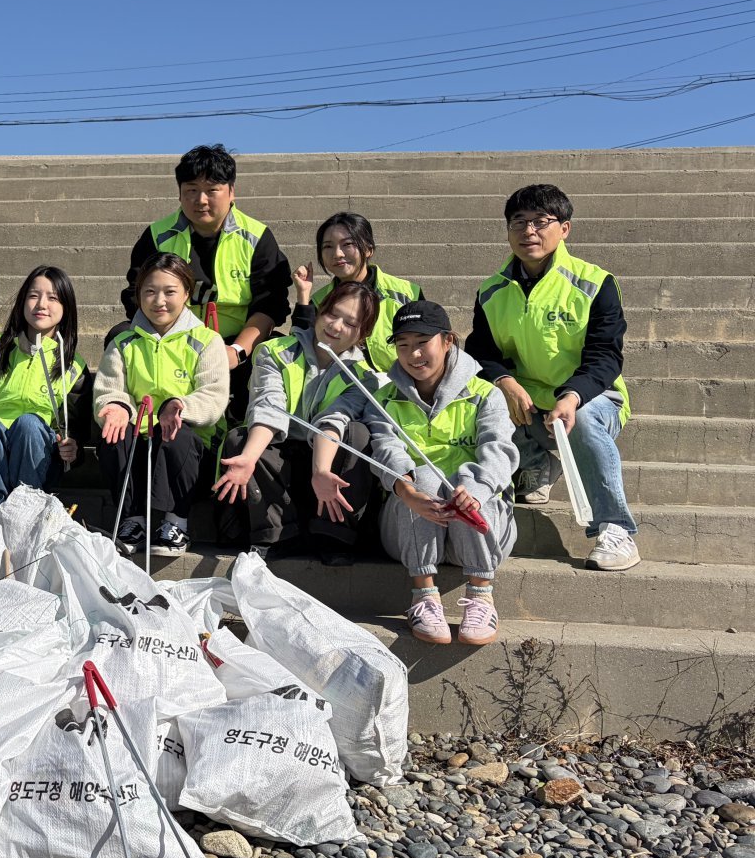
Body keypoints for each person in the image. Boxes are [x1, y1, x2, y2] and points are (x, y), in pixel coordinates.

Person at [311, 300, 518, 646]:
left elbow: (499, 451)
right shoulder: (385, 398)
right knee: (422, 478)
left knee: (469, 480)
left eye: (423, 342)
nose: (414, 354)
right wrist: (407, 491)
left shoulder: (485, 395)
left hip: (480, 527)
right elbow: (386, 448)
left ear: (448, 340)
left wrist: (475, 491)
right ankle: (424, 597)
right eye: (403, 345)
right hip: (411, 530)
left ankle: (481, 595)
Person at [464, 184, 639, 572]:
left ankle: (615, 528)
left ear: (565, 229)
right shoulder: (491, 290)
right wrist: (505, 384)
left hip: (592, 397)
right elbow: (482, 354)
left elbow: (606, 356)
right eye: (518, 222)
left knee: (587, 419)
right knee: (475, 399)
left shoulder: (596, 283)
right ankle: (536, 463)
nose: (529, 231)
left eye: (541, 222)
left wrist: (573, 396)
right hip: (526, 400)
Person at [214, 281, 380, 564]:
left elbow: (333, 420)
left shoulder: (364, 377)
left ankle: (333, 534)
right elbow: (269, 406)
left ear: (362, 333)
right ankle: (276, 534)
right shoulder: (274, 351)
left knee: (359, 435)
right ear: (319, 311)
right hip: (277, 457)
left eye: (350, 323)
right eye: (332, 314)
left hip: (325, 466)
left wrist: (321, 471)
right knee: (239, 441)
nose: (336, 326)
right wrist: (249, 458)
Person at [119, 144, 291, 414]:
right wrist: (171, 341)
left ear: (232, 192)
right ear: (179, 194)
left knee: (275, 348)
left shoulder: (258, 238)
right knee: (119, 335)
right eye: (191, 190)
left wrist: (236, 351)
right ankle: (134, 418)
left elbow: (270, 305)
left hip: (233, 342)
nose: (201, 200)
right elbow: (136, 295)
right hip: (169, 338)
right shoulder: (156, 236)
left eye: (212, 190)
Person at [95, 254, 231, 554]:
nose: (159, 300)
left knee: (177, 434)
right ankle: (132, 519)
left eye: (170, 292)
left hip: (188, 448)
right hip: (142, 443)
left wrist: (179, 405)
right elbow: (108, 390)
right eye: (149, 291)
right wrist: (117, 406)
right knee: (114, 434)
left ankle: (176, 522)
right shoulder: (124, 343)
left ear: (186, 293)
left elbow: (214, 396)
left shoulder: (207, 341)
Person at [0, 266, 89, 526]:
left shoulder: (73, 365)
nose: (41, 304)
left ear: (66, 307)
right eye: (34, 296)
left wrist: (73, 448)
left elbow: (76, 432)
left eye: (53, 298)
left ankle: (26, 513)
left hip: (39, 456)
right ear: (22, 301)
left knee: (30, 424)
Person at [289, 212, 423, 374]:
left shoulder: (406, 293)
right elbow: (299, 351)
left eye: (347, 244)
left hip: (397, 391)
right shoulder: (319, 301)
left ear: (368, 250)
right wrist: (303, 295)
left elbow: (427, 346)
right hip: (341, 391)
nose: (337, 254)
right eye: (328, 246)